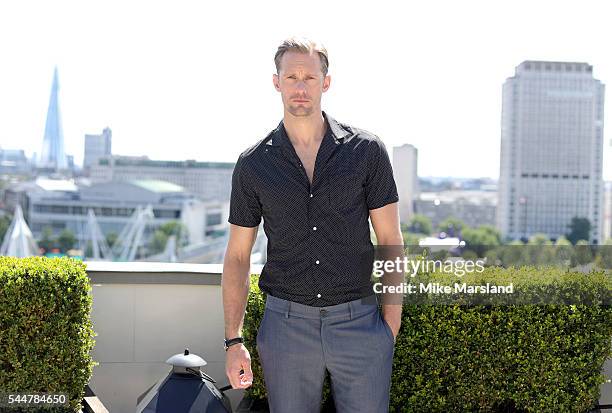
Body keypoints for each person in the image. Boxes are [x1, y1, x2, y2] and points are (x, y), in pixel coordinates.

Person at [222, 37, 404, 412]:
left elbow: (390, 239)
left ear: (326, 82)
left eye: (309, 76)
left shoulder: (366, 151)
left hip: (360, 325)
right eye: (291, 77)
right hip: (285, 327)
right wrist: (233, 341)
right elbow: (238, 256)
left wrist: (389, 327)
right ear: (277, 83)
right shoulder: (253, 164)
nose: (300, 87)